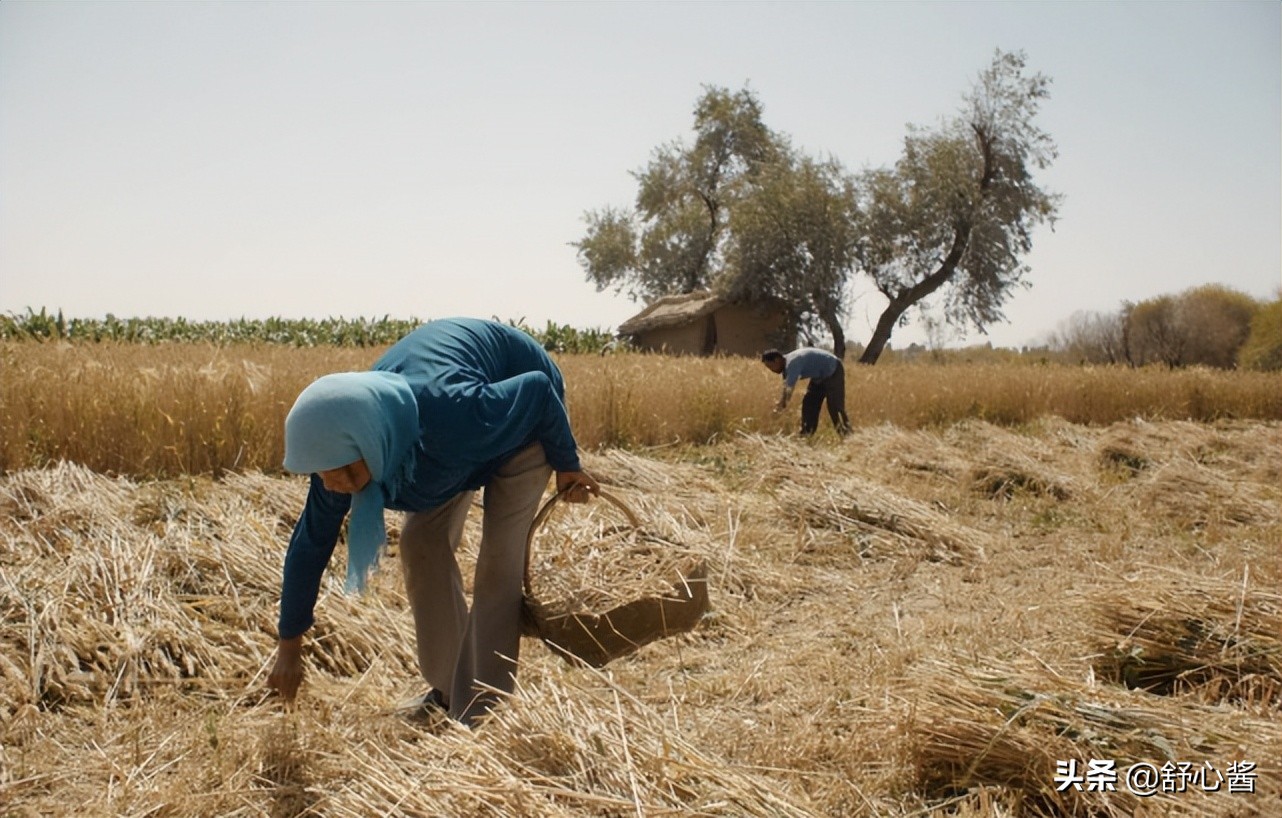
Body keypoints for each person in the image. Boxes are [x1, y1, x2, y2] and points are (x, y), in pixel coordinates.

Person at [267, 317, 599, 726]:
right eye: (321, 473)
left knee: (498, 563)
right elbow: (310, 545)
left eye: (340, 471)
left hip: (523, 422)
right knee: (420, 543)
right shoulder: (343, 453)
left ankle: (484, 710)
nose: (333, 484)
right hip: (445, 451)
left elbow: (538, 391)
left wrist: (567, 464)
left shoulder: (452, 414)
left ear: (369, 441)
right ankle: (448, 691)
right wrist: (289, 648)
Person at [760, 347, 852, 437]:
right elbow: (786, 387)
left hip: (833, 370)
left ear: (777, 360)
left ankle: (847, 435)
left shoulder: (792, 363)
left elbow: (788, 390)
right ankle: (806, 435)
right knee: (809, 404)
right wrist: (781, 403)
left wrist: (780, 407)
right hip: (818, 377)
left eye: (770, 366)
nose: (771, 370)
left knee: (835, 406)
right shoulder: (786, 363)